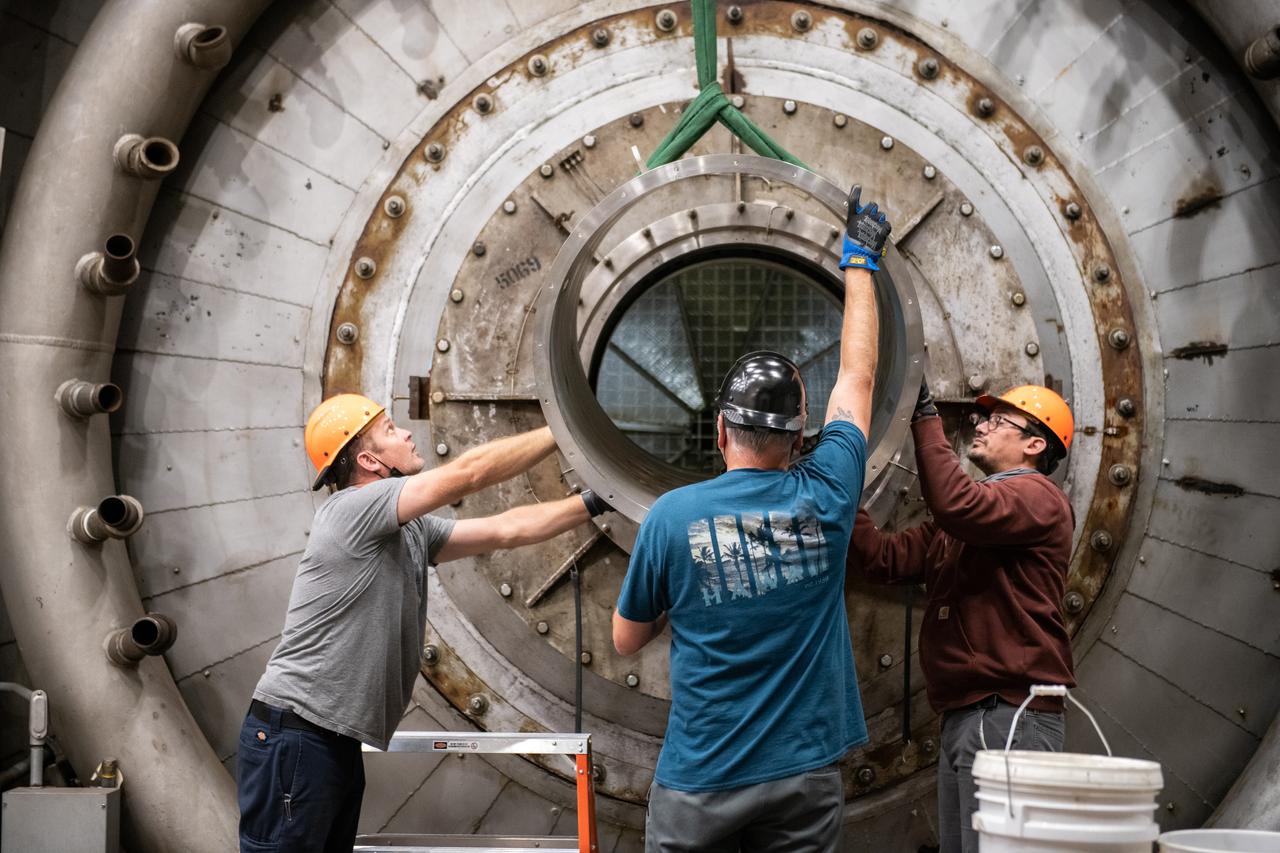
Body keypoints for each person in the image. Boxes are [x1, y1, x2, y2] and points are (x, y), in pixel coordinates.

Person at [612, 186, 891, 852]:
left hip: (701, 781)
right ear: (801, 437)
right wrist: (859, 260)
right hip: (803, 777)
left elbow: (625, 639)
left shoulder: (672, 516)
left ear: (718, 431)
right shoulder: (828, 493)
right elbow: (857, 377)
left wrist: (687, 597)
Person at [237, 394, 610, 852]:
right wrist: (567, 430)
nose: (409, 433)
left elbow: (508, 529)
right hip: (296, 737)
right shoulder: (355, 509)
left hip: (327, 741)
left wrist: (597, 501)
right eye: (392, 430)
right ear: (370, 461)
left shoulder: (408, 529)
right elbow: (467, 475)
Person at [846, 382, 1076, 853]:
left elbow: (957, 505)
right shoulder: (970, 521)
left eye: (998, 421)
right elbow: (882, 560)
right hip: (969, 715)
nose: (980, 424)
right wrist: (839, 478)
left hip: (1011, 715)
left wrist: (924, 415)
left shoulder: (1037, 498)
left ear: (1035, 444)